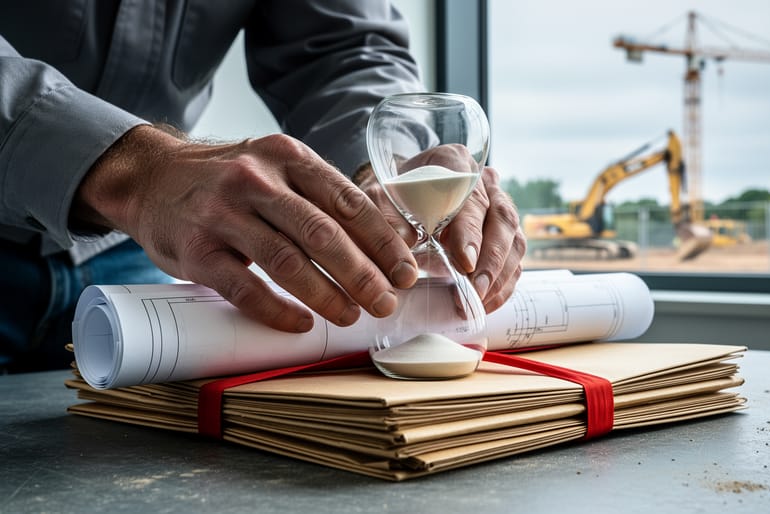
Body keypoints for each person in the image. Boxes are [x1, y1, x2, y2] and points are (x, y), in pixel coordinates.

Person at [0, 1, 526, 373]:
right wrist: (134, 171)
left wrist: (384, 168)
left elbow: (341, 45)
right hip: (142, 220)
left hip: (140, 256)